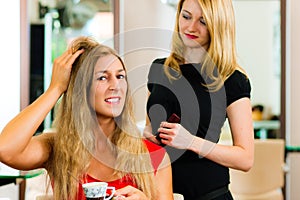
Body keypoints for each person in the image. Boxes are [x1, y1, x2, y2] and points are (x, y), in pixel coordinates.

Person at [0, 36, 173, 200]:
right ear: (81, 90)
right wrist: (55, 88)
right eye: (103, 77)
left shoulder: (153, 156)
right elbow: (6, 149)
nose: (115, 86)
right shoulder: (57, 148)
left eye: (120, 76)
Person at [144, 0, 254, 199]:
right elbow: (150, 128)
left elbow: (245, 158)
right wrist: (148, 135)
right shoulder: (159, 69)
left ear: (217, 25)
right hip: (161, 193)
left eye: (202, 21)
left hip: (209, 194)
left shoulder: (231, 79)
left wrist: (191, 141)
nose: (191, 27)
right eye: (186, 16)